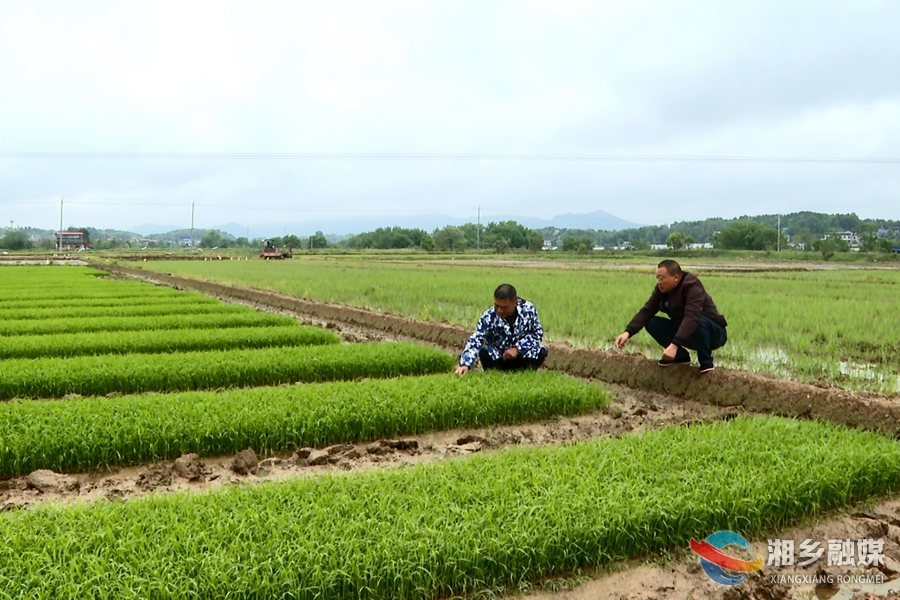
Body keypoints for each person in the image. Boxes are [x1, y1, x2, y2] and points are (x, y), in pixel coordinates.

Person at [615, 259, 727, 373]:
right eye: (657, 278)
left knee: (697, 320)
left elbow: (692, 317)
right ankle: (680, 357)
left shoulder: (692, 286)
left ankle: (706, 362)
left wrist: (674, 345)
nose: (658, 282)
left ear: (676, 278)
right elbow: (647, 310)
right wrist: (628, 332)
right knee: (651, 322)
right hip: (687, 333)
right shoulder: (662, 290)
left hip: (713, 334)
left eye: (662, 278)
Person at [455, 284, 549, 375]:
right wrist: (465, 364)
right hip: (499, 357)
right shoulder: (488, 316)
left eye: (504, 307)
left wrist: (517, 348)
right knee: (484, 352)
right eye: (496, 305)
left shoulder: (529, 310)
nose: (499, 310)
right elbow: (476, 339)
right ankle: (495, 374)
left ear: (515, 302)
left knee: (540, 350)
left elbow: (537, 333)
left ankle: (525, 373)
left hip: (521, 356)